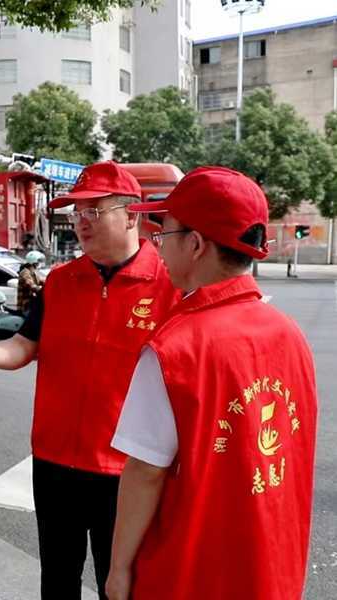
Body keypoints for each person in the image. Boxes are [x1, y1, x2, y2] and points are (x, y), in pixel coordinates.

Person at [0, 161, 179, 600]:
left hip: (126, 471)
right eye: (77, 212)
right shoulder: (59, 282)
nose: (81, 223)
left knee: (121, 584)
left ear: (131, 215)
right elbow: (25, 344)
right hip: (55, 462)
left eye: (94, 211)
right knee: (57, 579)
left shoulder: (167, 285)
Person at [106, 167, 318, 600]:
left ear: (196, 244)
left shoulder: (173, 350)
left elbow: (145, 473)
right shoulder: (290, 334)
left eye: (163, 234)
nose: (157, 247)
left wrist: (119, 569)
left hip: (194, 574)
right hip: (273, 567)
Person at [17, 249, 45, 314]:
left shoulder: (33, 272)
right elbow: (31, 285)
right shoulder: (25, 273)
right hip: (26, 305)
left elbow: (40, 281)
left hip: (31, 303)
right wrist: (41, 289)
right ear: (34, 262)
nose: (40, 263)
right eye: (39, 261)